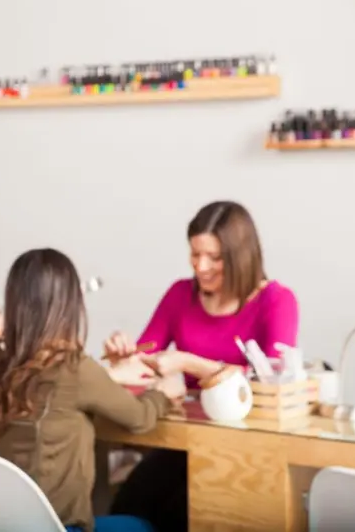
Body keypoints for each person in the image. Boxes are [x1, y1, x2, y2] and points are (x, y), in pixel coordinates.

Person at [104, 200, 300, 531]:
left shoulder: (277, 302)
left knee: (186, 510)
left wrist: (188, 363)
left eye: (214, 257)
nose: (201, 266)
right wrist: (123, 356)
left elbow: (269, 379)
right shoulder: (181, 294)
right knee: (132, 503)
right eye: (195, 254)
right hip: (184, 441)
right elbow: (147, 355)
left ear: (241, 256)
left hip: (247, 448)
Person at [0, 248, 185, 532]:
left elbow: (42, 384)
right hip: (56, 525)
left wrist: (109, 374)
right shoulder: (74, 368)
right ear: (68, 306)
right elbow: (140, 417)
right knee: (142, 526)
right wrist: (163, 393)